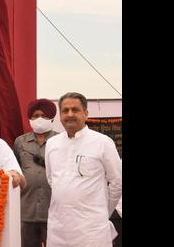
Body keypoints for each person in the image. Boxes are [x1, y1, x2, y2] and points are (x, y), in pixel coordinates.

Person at [45, 92, 122, 247]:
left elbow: (117, 182)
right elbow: (52, 180)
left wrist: (101, 212)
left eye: (75, 109)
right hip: (58, 228)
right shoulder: (52, 144)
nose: (70, 114)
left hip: (91, 230)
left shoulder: (102, 142)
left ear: (86, 113)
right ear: (60, 115)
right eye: (65, 111)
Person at [13, 98, 59, 247]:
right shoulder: (20, 142)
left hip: (54, 211)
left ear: (51, 119)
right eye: (35, 115)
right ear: (30, 119)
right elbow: (15, 170)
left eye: (44, 116)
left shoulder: (61, 140)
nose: (39, 119)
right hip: (26, 210)